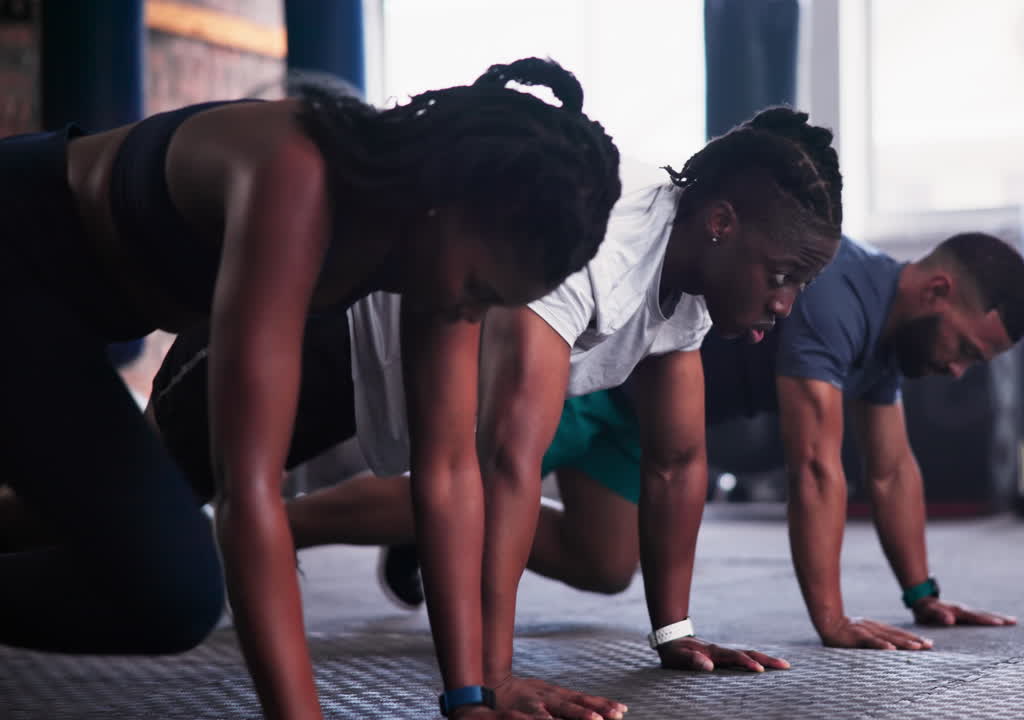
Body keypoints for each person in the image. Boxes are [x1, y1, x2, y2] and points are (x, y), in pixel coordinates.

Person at [147, 106, 844, 718]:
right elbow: (509, 457)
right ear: (722, 223)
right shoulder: (603, 241)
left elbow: (676, 460)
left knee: (137, 553)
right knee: (104, 526)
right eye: (781, 276)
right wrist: (492, 679)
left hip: (378, 403)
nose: (784, 306)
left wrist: (674, 635)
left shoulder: (691, 285)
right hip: (314, 336)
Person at [0, 57, 621, 720]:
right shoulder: (299, 178)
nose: (469, 316)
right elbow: (248, 486)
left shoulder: (433, 246)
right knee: (174, 587)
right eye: (477, 292)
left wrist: (471, 698)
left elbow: (444, 472)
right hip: (14, 265)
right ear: (450, 202)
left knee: (148, 576)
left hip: (60, 326)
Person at [371, 231, 1024, 651]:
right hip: (602, 374)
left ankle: (428, 527)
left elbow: (891, 472)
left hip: (652, 417)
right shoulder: (841, 292)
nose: (955, 371)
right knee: (465, 490)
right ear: (938, 291)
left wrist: (923, 596)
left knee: (603, 563)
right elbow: (814, 468)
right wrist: (831, 621)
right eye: (965, 349)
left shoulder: (888, 344)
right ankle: (291, 526)